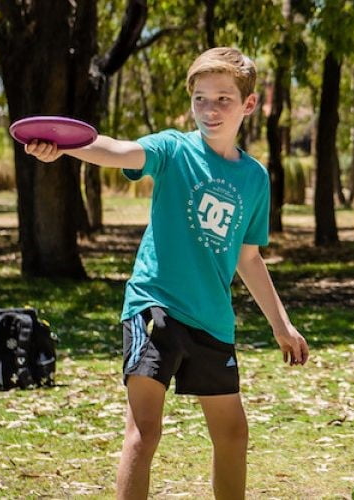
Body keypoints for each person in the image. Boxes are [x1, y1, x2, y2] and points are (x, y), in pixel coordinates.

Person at [24, 47, 309, 500]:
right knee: (145, 432)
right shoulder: (173, 148)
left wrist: (281, 324)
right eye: (200, 98)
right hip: (154, 307)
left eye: (223, 99)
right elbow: (119, 150)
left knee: (234, 434)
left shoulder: (255, 178)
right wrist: (67, 146)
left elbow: (249, 258)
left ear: (248, 105)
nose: (210, 110)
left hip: (212, 318)